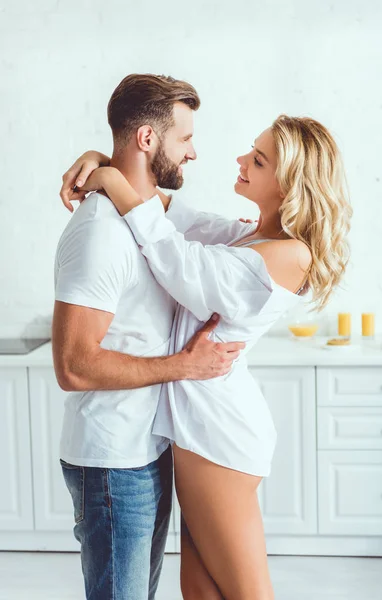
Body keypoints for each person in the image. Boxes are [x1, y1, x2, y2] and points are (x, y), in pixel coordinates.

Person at [63, 111, 352, 599]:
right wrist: (106, 162)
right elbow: (173, 218)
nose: (241, 159)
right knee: (200, 591)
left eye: (258, 160)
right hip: (198, 436)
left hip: (221, 440)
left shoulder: (289, 254)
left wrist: (112, 179)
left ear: (289, 185)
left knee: (246, 592)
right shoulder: (250, 236)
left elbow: (180, 264)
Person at [53, 73, 248, 600]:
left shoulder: (150, 218)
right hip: (113, 462)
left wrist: (102, 162)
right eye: (184, 138)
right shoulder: (99, 233)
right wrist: (184, 366)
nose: (193, 153)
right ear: (146, 138)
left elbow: (223, 231)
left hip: (148, 449)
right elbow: (72, 366)